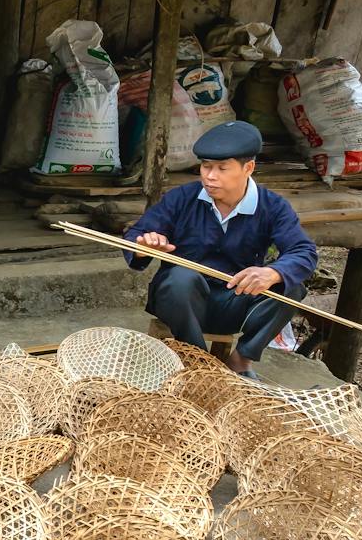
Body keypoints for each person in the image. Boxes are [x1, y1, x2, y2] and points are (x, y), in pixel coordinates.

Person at [122, 119, 318, 376]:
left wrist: (271, 274)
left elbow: (303, 251)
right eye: (206, 166)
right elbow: (135, 235)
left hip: (235, 303)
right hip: (181, 303)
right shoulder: (182, 198)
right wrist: (144, 245)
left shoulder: (272, 206)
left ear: (248, 168)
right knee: (180, 276)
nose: (210, 176)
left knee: (290, 286)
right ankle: (198, 363)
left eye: (222, 168)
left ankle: (241, 360)